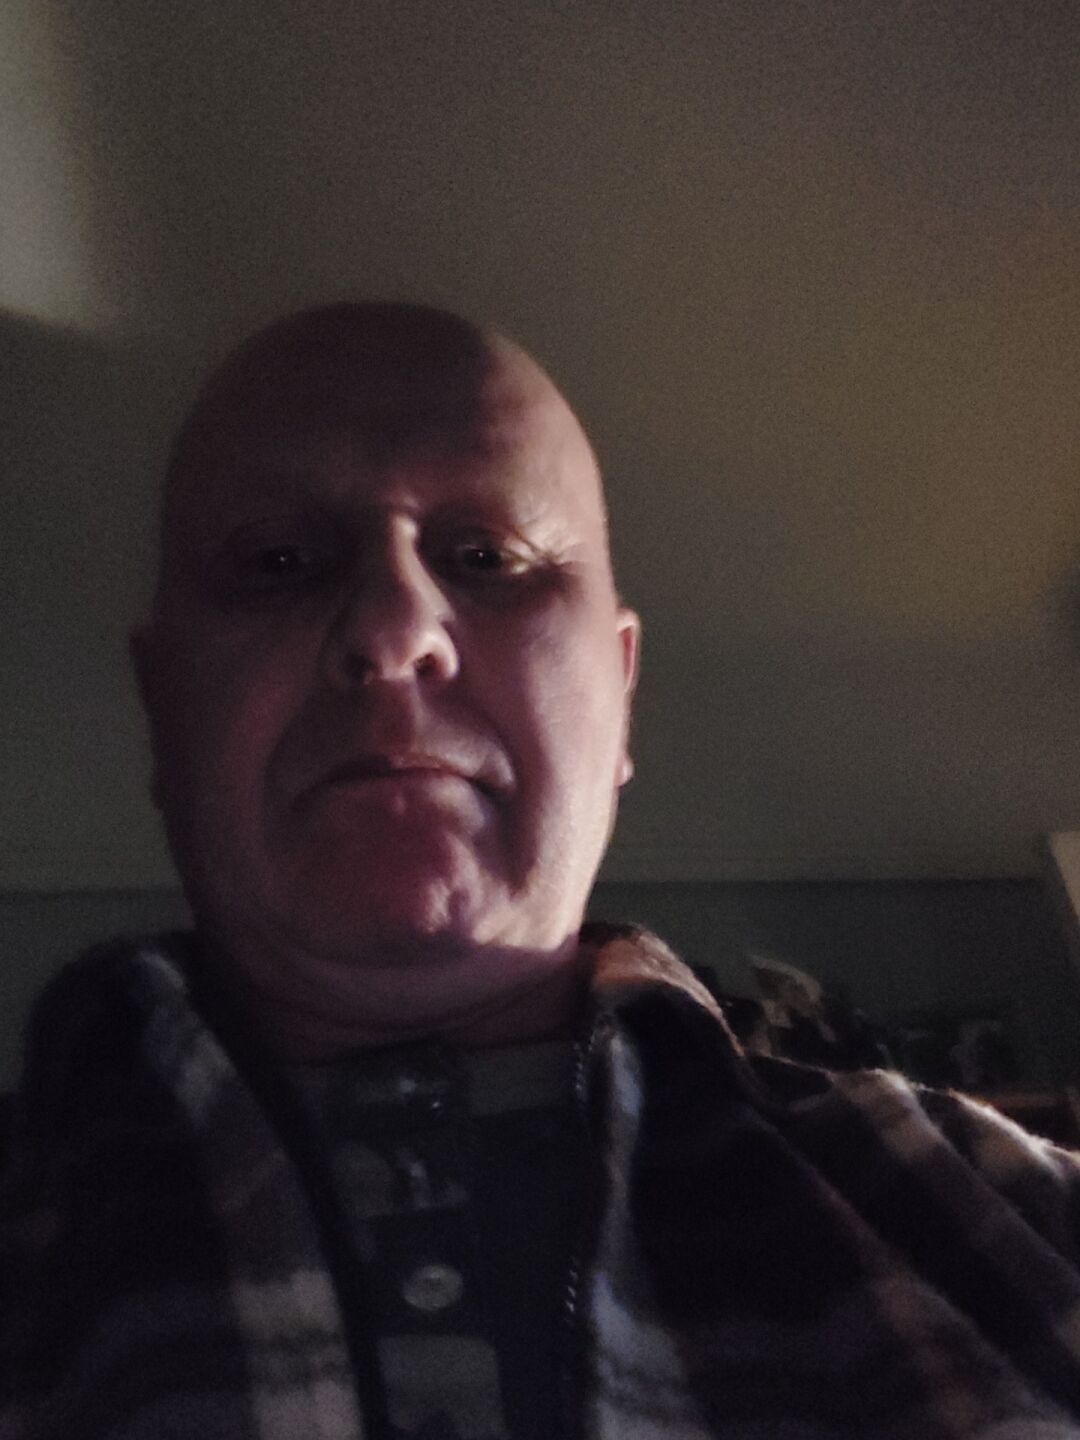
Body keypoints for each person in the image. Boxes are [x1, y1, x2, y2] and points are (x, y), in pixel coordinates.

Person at [3, 303, 1080, 1440]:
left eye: (487, 558)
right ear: (160, 705)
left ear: (621, 691)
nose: (392, 629)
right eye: (278, 561)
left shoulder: (1021, 1218)